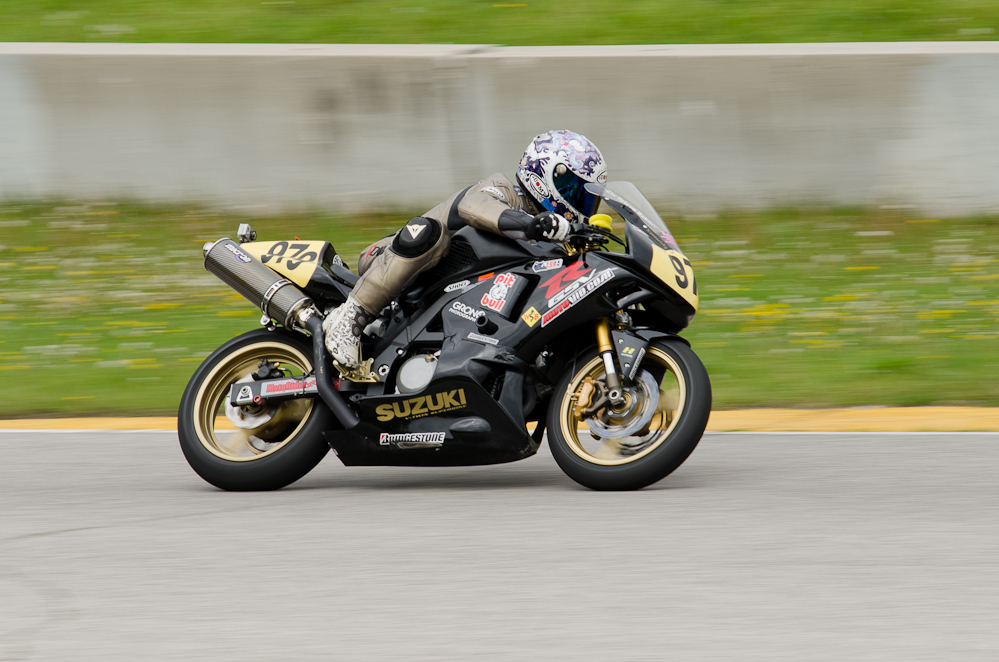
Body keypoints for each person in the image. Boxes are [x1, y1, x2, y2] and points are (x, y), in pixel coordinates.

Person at [323, 129, 609, 370]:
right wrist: (533, 223)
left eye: (586, 198)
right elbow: (473, 207)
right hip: (387, 258)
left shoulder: (549, 237)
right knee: (428, 232)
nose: (579, 203)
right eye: (573, 190)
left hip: (452, 296)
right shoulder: (504, 190)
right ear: (545, 177)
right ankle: (350, 318)